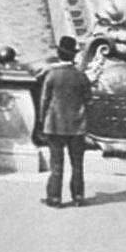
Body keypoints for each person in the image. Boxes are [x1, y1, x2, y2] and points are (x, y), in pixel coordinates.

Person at [38, 34, 92, 207]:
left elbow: (44, 101)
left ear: (59, 54)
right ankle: (78, 197)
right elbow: (88, 99)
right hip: (77, 126)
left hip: (55, 125)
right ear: (73, 55)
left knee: (56, 165)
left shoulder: (52, 75)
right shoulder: (80, 76)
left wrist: (41, 121)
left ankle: (54, 197)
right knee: (77, 165)